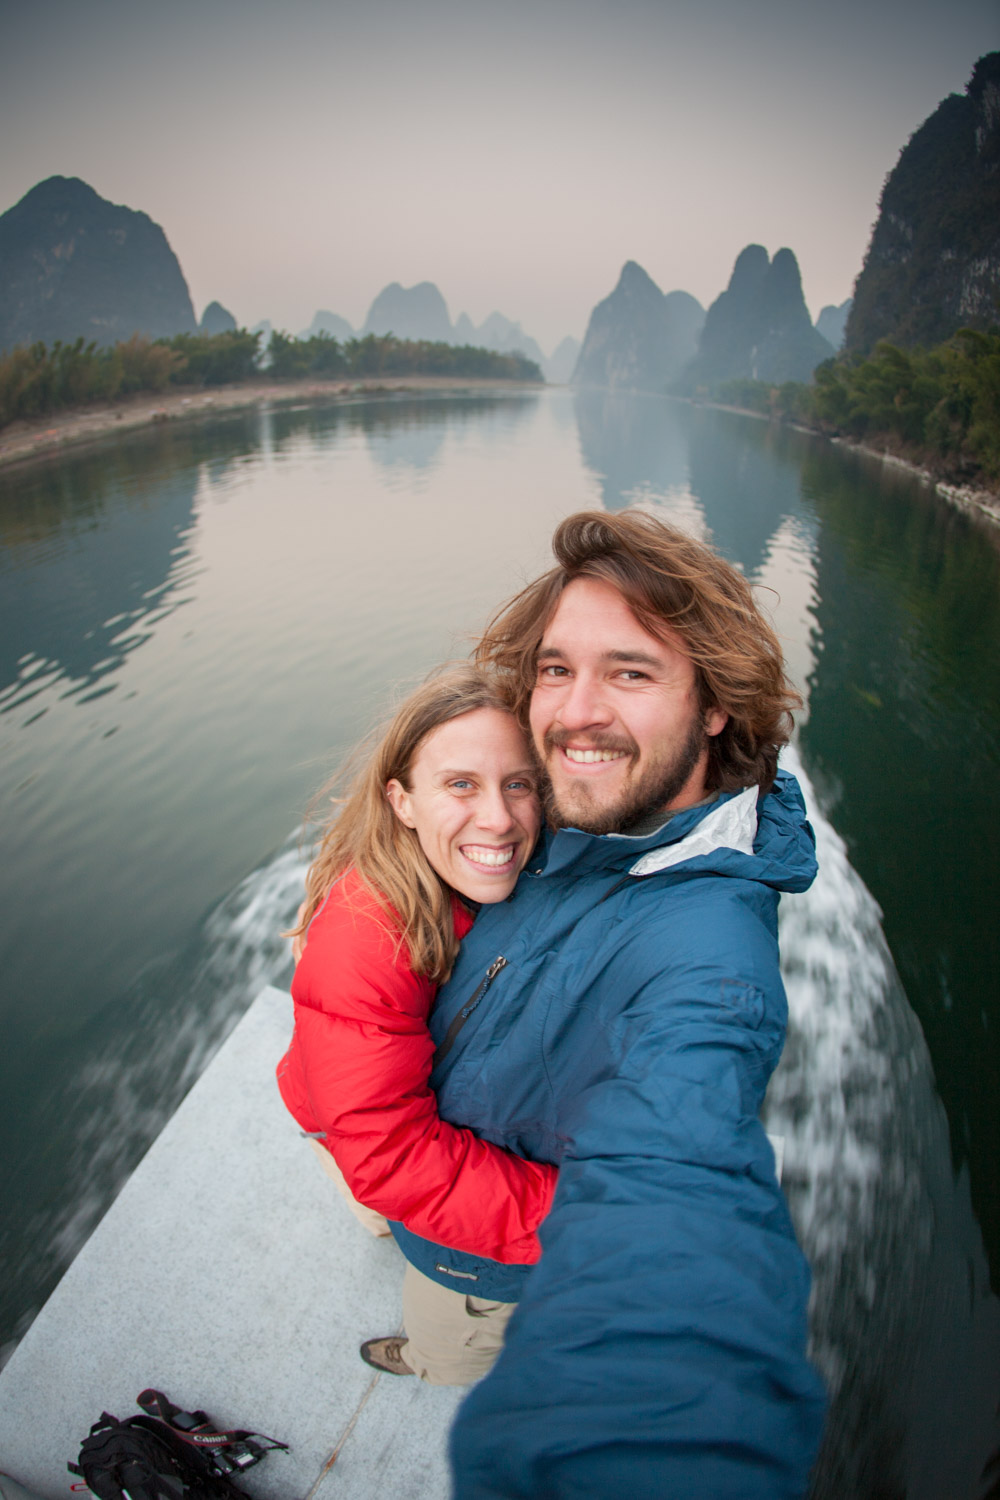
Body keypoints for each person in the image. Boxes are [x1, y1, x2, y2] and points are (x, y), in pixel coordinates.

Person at [379, 511, 826, 1497]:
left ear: (713, 704)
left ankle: (434, 1358)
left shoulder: (705, 963)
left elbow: (679, 1183)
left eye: (630, 673)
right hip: (435, 1139)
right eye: (554, 669)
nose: (574, 712)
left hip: (484, 1258)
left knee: (449, 1339)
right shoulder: (556, 805)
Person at [276, 667, 557, 1385]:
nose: (498, 816)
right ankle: (429, 1360)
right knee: (453, 1321)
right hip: (359, 1133)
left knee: (372, 1201)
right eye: (460, 784)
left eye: (519, 783)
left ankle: (378, 1224)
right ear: (400, 801)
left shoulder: (466, 875)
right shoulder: (371, 937)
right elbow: (391, 1155)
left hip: (341, 1112)